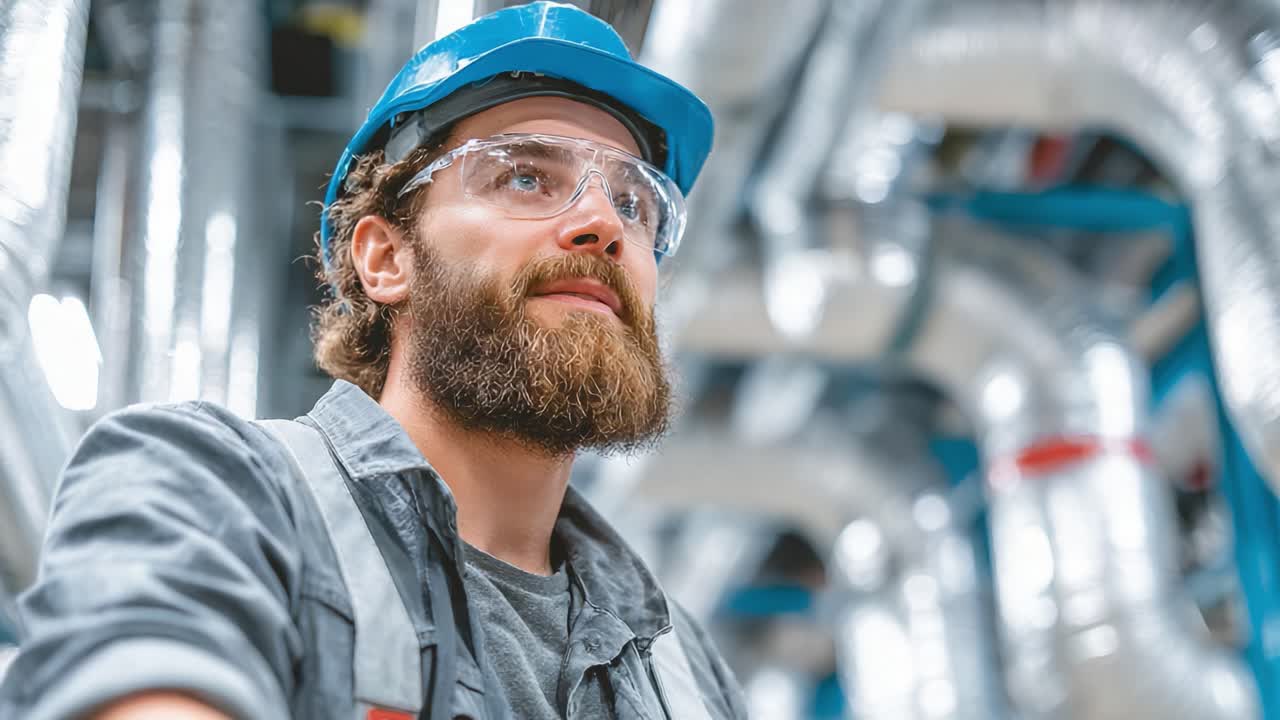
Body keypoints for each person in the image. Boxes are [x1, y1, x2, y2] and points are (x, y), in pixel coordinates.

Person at [0, 3, 746, 719]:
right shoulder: (207, 490)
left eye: (635, 203)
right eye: (526, 176)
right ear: (387, 259)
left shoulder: (686, 669)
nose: (601, 223)